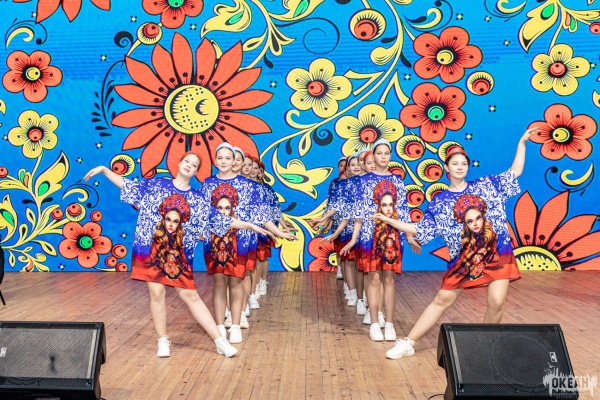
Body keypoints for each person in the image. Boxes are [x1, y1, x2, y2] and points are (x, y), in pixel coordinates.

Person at [84, 152, 269, 358]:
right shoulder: (157, 186)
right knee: (156, 294)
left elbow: (221, 219)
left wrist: (249, 225)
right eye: (187, 161)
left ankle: (219, 341)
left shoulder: (197, 200)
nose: (189, 165)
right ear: (179, 163)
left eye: (194, 164)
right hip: (151, 251)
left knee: (191, 295)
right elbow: (128, 186)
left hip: (178, 256)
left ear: (196, 171)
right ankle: (162, 341)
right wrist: (104, 170)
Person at [376, 128, 538, 359]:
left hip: (497, 253)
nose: (460, 167)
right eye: (455, 163)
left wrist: (522, 142)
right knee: (442, 299)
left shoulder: (486, 186)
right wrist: (390, 220)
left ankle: (486, 345)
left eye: (463, 164)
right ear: (447, 168)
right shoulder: (439, 201)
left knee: (496, 301)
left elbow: (515, 172)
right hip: (465, 260)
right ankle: (408, 343)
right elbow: (420, 229)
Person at [201, 143, 296, 344]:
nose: (224, 162)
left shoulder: (248, 185)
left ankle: (236, 325)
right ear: (215, 160)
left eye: (228, 158)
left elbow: (260, 215)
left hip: (241, 241)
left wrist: (278, 231)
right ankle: (220, 327)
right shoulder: (207, 184)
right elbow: (199, 214)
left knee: (236, 282)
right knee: (219, 283)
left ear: (235, 161)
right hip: (215, 242)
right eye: (221, 158)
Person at [340, 139, 419, 342]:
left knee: (389, 280)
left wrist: (409, 237)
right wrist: (353, 239)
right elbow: (359, 214)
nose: (383, 156)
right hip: (369, 237)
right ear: (373, 156)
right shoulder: (364, 181)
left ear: (390, 156)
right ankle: (375, 323)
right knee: (374, 279)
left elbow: (404, 212)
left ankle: (390, 324)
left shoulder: (397, 181)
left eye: (386, 153)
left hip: (392, 237)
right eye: (379, 153)